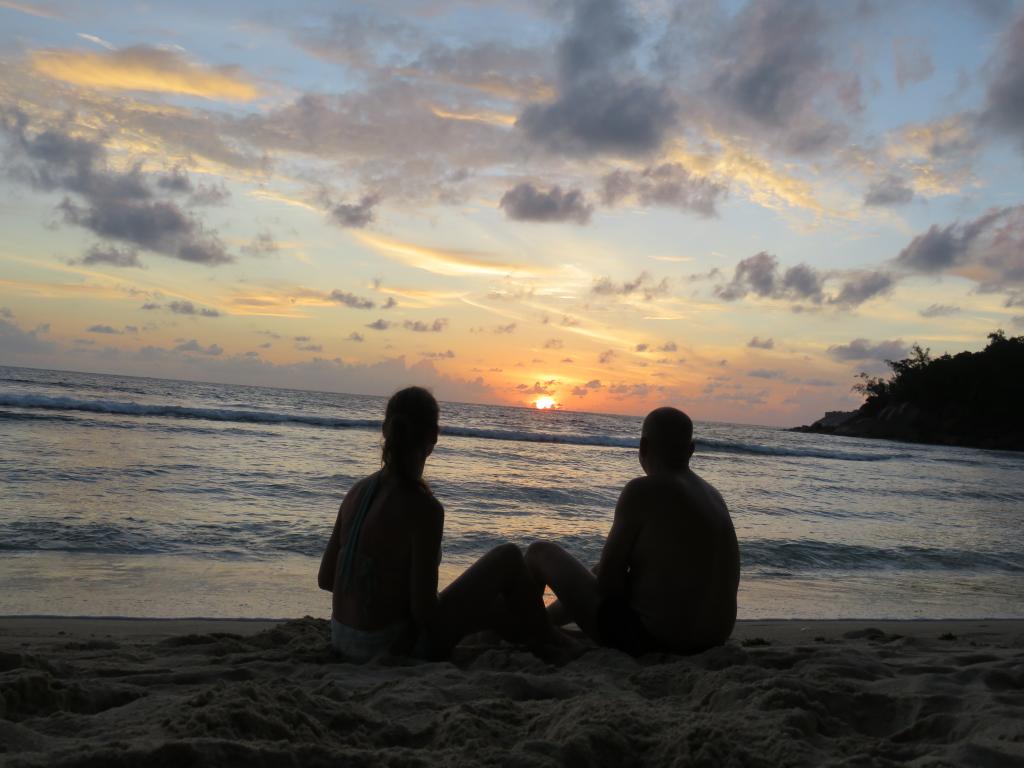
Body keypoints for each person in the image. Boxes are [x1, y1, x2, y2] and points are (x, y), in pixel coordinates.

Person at [318, 386, 566, 662]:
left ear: (385, 430)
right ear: (433, 437)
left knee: (493, 607)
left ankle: (543, 635)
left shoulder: (357, 492)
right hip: (388, 648)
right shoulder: (423, 508)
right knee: (507, 557)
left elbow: (326, 578)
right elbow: (424, 613)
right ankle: (551, 641)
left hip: (341, 637)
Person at [525, 407, 739, 655]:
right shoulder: (713, 495)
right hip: (712, 639)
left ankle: (531, 628)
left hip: (655, 639)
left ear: (643, 446)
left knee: (539, 553)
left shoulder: (642, 490)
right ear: (690, 449)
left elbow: (607, 583)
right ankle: (545, 621)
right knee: (600, 570)